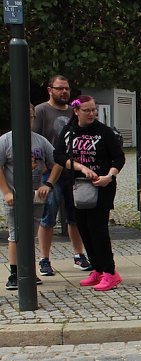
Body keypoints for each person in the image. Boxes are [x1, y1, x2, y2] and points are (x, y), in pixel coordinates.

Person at [54, 96, 125, 291]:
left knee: (97, 228)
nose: (92, 113)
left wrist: (109, 177)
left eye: (94, 109)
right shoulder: (69, 131)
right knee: (83, 227)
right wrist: (79, 167)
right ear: (77, 111)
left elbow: (118, 158)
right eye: (87, 110)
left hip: (101, 187)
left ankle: (110, 272)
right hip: (77, 186)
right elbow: (58, 155)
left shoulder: (105, 132)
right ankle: (98, 269)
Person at [33, 75, 90, 275]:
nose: (64, 92)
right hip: (48, 172)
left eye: (66, 88)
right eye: (59, 88)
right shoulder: (41, 111)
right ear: (50, 90)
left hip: (72, 171)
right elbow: (35, 141)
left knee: (75, 215)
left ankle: (78, 255)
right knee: (48, 215)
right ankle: (44, 259)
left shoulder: (73, 113)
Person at [1, 105, 62, 289]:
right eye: (24, 116)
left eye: (30, 116)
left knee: (31, 234)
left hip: (36, 194)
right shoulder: (6, 141)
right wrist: (6, 193)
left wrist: (48, 184)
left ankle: (29, 270)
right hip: (14, 195)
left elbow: (57, 162)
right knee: (16, 234)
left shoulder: (40, 141)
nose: (28, 120)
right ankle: (14, 273)